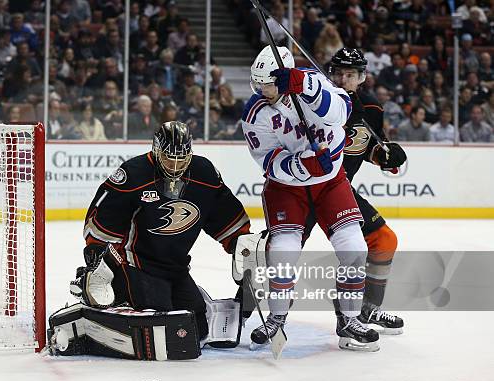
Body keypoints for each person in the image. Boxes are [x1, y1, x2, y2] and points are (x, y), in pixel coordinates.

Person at [241, 45, 379, 352]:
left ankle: (350, 317)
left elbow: (341, 112)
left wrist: (305, 86)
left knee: (355, 249)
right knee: (284, 253)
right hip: (286, 188)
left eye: (267, 84)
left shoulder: (314, 82)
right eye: (258, 83)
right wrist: (302, 165)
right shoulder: (255, 113)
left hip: (330, 184)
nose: (261, 90)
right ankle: (277, 317)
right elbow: (267, 159)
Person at [76, 121, 250, 342]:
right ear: (156, 149)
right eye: (169, 157)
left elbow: (224, 214)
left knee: (197, 330)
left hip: (175, 267)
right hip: (137, 263)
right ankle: (109, 290)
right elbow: (104, 216)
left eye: (182, 158)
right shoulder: (134, 174)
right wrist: (97, 253)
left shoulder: (204, 174)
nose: (175, 165)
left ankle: (192, 296)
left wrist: (240, 242)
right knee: (160, 320)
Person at [305, 48, 406, 334]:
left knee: (383, 241)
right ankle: (247, 309)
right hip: (302, 188)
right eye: (337, 73)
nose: (342, 79)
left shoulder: (371, 109)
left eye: (350, 74)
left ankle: (364, 311)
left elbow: (369, 147)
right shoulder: (313, 104)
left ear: (361, 77)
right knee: (280, 252)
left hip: (339, 190)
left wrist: (385, 156)